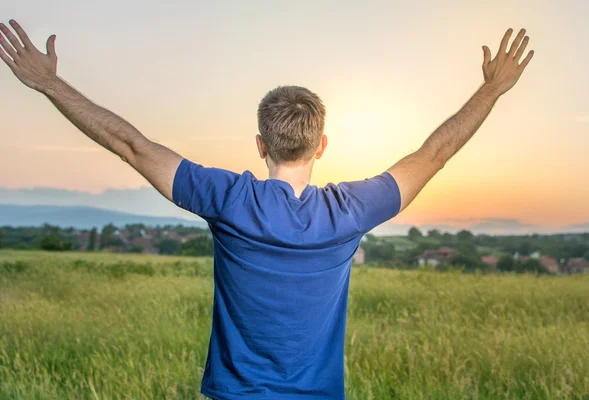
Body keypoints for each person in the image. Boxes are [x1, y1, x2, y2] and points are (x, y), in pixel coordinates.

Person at [0, 19, 533, 400]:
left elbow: (132, 145)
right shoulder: (349, 211)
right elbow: (434, 154)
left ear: (261, 144)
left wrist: (48, 83)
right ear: (321, 145)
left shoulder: (229, 199)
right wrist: (491, 90)